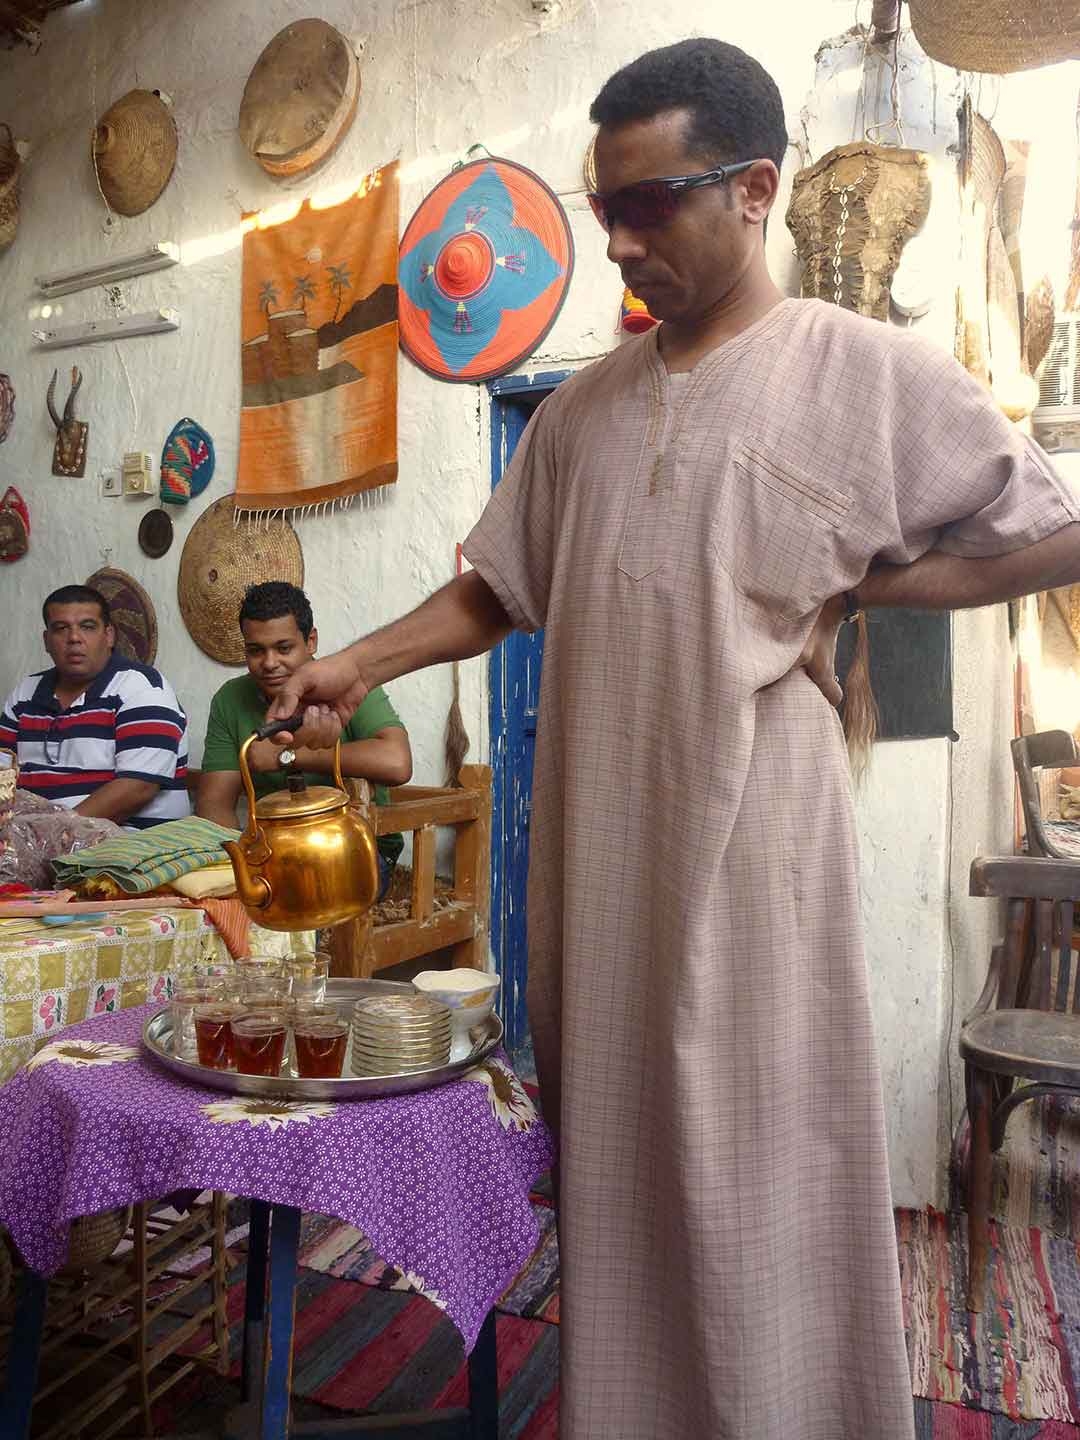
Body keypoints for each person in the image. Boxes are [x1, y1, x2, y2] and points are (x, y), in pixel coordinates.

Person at [264, 39, 1080, 1440]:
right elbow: (494, 585)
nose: (621, 242)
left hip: (755, 860)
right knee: (622, 1190)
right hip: (599, 865)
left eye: (652, 204)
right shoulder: (580, 411)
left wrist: (874, 581)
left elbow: (1051, 523)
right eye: (606, 210)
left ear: (756, 190)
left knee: (762, 1170)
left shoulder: (862, 372)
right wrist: (352, 662)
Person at [195, 582, 411, 896]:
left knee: (302, 900)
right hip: (275, 854)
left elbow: (398, 762)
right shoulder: (230, 700)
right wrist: (240, 869)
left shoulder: (346, 683)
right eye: (256, 650)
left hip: (357, 849)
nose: (269, 663)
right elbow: (214, 805)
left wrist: (290, 755)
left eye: (283, 648)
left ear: (311, 641)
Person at [0, 584, 190, 829]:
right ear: (46, 641)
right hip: (35, 844)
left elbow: (138, 788)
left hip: (130, 849)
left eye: (88, 627)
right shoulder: (25, 694)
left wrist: (52, 834)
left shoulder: (141, 687)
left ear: (109, 636)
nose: (74, 638)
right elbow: (3, 772)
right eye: (61, 628)